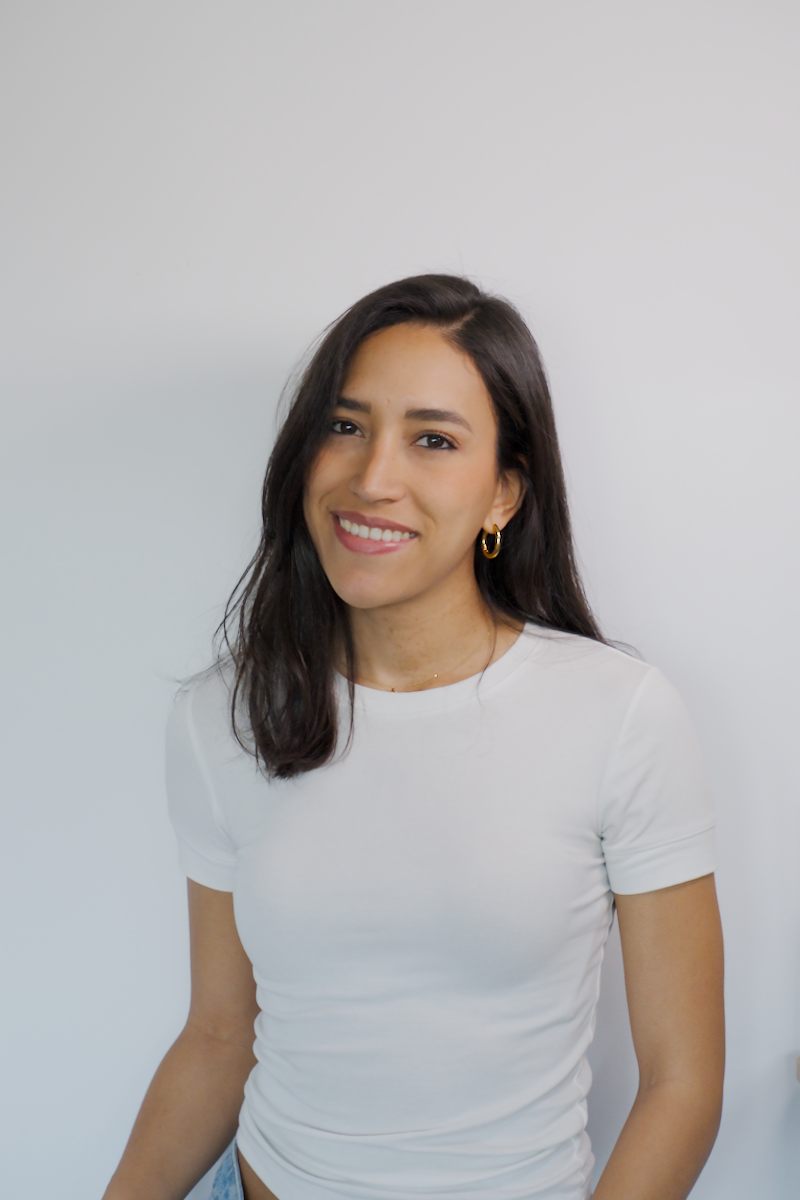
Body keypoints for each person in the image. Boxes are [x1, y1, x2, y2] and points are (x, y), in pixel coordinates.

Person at [103, 275, 724, 1200]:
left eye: (432, 439)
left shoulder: (620, 713)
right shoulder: (224, 717)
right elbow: (220, 1036)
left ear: (503, 494)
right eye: (346, 426)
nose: (373, 477)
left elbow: (683, 1083)